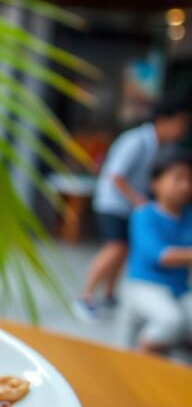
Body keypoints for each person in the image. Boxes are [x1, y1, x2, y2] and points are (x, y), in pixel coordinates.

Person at [78, 98, 190, 317]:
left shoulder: (161, 145)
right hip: (113, 202)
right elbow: (115, 175)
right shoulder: (137, 140)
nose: (182, 130)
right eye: (180, 124)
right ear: (164, 121)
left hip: (128, 205)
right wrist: (140, 201)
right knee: (116, 248)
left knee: (123, 248)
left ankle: (109, 295)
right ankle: (85, 296)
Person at [125, 148, 192, 354]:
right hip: (144, 285)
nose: (185, 186)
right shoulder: (144, 215)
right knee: (169, 319)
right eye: (177, 178)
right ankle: (142, 358)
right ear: (155, 183)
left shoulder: (188, 216)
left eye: (189, 179)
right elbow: (161, 255)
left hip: (180, 289)